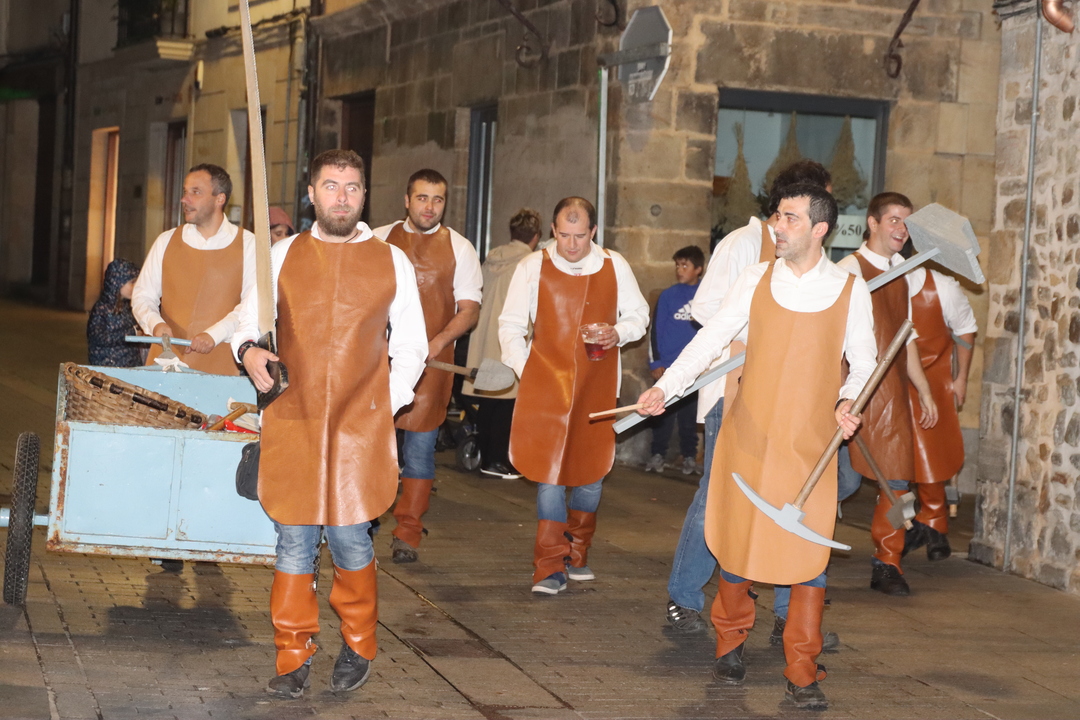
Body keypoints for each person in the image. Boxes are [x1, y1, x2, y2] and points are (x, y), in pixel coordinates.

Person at [637, 183, 877, 710]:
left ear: (819, 228)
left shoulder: (848, 289)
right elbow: (708, 340)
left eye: (790, 218)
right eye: (777, 216)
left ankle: (802, 672)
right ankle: (729, 647)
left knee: (808, 558)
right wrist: (665, 388)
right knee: (739, 545)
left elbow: (864, 360)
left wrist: (849, 399)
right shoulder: (755, 279)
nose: (777, 226)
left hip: (810, 449)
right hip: (748, 437)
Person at [233, 149, 427, 699]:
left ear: (364, 195)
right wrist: (248, 350)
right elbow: (246, 323)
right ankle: (292, 656)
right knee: (293, 541)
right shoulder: (280, 255)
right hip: (293, 418)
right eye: (331, 186)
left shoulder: (391, 260)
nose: (342, 197)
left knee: (349, 538)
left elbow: (412, 346)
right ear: (312, 193)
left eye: (352, 187)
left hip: (360, 427)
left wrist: (383, 404)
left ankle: (359, 644)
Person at [664, 160, 850, 638]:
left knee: (794, 496)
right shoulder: (742, 245)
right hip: (734, 391)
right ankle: (684, 596)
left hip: (793, 400)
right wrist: (764, 337)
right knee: (719, 496)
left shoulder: (820, 268)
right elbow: (707, 311)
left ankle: (790, 612)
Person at [500, 197, 649, 595]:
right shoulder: (532, 267)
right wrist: (528, 372)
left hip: (597, 387)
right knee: (549, 475)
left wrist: (619, 332)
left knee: (591, 473)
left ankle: (576, 551)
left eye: (580, 236)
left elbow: (639, 315)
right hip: (546, 386)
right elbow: (510, 325)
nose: (571, 244)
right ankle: (549, 564)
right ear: (552, 230)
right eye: (564, 235)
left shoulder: (615, 265)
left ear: (593, 232)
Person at [373, 169, 483, 564]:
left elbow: (469, 309)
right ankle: (364, 519)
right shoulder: (378, 239)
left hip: (433, 366)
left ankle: (408, 532)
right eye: (422, 198)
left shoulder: (460, 248)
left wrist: (435, 343)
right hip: (378, 364)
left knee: (419, 452)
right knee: (372, 448)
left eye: (437, 199)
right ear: (407, 200)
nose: (430, 207)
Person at [837, 192, 939, 597]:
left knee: (898, 481)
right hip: (853, 391)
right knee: (841, 483)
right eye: (894, 219)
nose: (902, 228)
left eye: (907, 222)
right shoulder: (848, 269)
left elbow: (905, 337)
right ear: (873, 223)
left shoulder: (903, 271)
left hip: (891, 392)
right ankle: (800, 557)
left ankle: (888, 562)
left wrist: (924, 390)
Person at [132, 163, 255, 375]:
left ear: (220, 199)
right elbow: (143, 296)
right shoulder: (166, 241)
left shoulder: (248, 244)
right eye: (185, 192)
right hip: (165, 364)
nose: (184, 199)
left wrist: (214, 335)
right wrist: (156, 325)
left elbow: (252, 306)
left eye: (195, 192)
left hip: (220, 368)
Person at [902, 261, 977, 560]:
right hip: (890, 381)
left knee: (930, 456)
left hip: (934, 380)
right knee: (897, 464)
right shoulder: (873, 281)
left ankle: (933, 521)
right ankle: (910, 524)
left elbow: (965, 330)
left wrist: (960, 379)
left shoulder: (943, 287)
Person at [462, 208, 542, 479]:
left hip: (485, 337)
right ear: (536, 236)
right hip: (510, 339)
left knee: (489, 401)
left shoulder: (491, 259)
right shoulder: (529, 264)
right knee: (508, 403)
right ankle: (497, 459)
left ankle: (486, 456)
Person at [645, 245, 705, 476]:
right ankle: (657, 455)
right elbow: (655, 331)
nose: (680, 270)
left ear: (698, 269)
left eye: (685, 266)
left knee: (690, 416)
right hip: (668, 367)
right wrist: (655, 362)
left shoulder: (706, 295)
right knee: (662, 415)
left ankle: (689, 456)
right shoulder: (668, 295)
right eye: (677, 265)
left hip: (694, 369)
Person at [87, 258, 142, 367]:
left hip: (129, 364)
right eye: (132, 282)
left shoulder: (128, 307)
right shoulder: (102, 308)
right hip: (108, 365)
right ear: (117, 282)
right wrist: (131, 334)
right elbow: (97, 337)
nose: (136, 287)